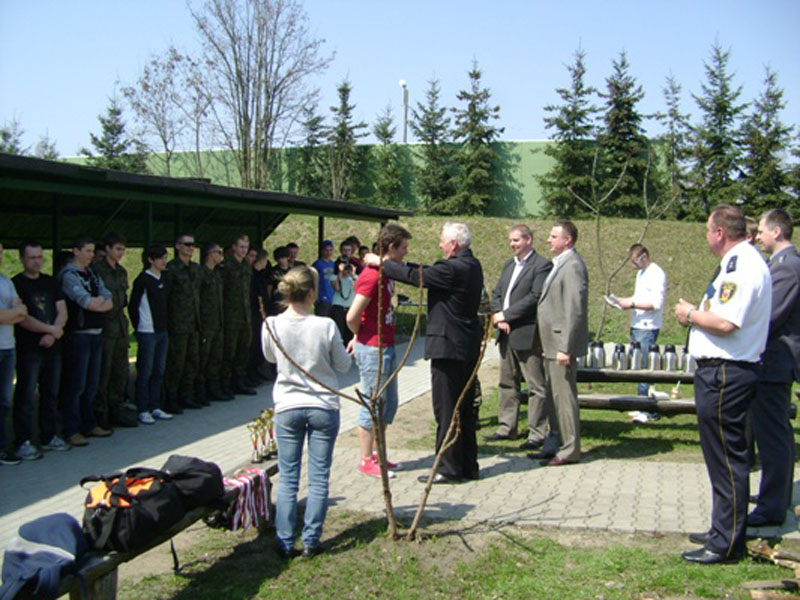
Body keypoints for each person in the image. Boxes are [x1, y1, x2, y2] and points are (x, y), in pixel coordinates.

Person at [674, 204, 771, 564]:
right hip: (724, 371)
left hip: (726, 373)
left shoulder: (742, 265)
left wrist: (689, 314)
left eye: (707, 230)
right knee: (722, 458)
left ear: (719, 233)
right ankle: (723, 528)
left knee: (728, 459)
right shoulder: (740, 262)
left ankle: (726, 542)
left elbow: (726, 322)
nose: (706, 236)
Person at [368, 222, 484, 484]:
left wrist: (381, 263)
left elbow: (417, 278)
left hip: (448, 348)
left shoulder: (452, 268)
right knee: (464, 409)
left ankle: (448, 468)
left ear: (453, 244)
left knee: (446, 409)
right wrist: (399, 265)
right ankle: (468, 465)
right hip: (466, 346)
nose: (440, 245)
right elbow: (428, 272)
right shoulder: (471, 264)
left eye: (443, 241)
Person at [262, 266, 351, 558]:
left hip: (288, 404)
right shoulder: (325, 325)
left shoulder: (271, 324)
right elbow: (343, 366)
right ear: (312, 293)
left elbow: (270, 357)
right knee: (319, 476)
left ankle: (285, 540)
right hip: (323, 404)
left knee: (288, 476)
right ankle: (311, 539)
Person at [748, 208, 800, 527]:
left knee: (773, 435)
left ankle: (773, 506)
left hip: (775, 362)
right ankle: (773, 495)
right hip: (773, 361)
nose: (758, 237)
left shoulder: (787, 267)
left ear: (777, 232)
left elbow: (768, 316)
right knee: (772, 432)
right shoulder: (780, 264)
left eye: (762, 231)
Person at [347, 225, 411, 479]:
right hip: (373, 348)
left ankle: (379, 455)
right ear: (391, 247)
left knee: (387, 404)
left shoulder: (387, 272)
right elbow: (352, 315)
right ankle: (365, 459)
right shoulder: (372, 276)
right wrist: (359, 336)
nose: (406, 252)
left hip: (386, 345)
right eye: (403, 247)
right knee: (372, 404)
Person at [485, 224, 554, 451]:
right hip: (505, 332)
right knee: (507, 382)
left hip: (527, 333)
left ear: (528, 240)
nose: (512, 244)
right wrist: (499, 316)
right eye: (510, 240)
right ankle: (507, 427)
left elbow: (535, 297)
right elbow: (497, 293)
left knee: (536, 386)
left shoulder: (542, 265)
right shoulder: (509, 264)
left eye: (516, 240)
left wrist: (508, 315)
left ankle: (537, 433)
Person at [532, 220, 588, 467]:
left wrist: (566, 347)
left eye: (554, 236)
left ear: (568, 240)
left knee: (564, 399)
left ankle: (570, 449)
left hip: (560, 345)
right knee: (553, 398)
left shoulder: (573, 266)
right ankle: (554, 444)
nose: (548, 240)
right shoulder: (559, 263)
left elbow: (574, 310)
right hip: (550, 343)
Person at [11, 241, 69, 460]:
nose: (37, 261)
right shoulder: (16, 283)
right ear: (22, 259)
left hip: (53, 346)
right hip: (29, 348)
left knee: (50, 394)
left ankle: (49, 435)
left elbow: (62, 310)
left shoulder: (50, 282)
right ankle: (23, 440)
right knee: (25, 396)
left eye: (39, 257)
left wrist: (54, 332)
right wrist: (50, 330)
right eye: (32, 257)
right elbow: (21, 317)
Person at [59, 236, 114, 447]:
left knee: (92, 384)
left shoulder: (92, 274)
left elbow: (109, 299)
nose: (92, 255)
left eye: (92, 251)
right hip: (79, 335)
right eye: (88, 251)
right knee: (76, 385)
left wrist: (97, 303)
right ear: (76, 251)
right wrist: (98, 303)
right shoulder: (68, 276)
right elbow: (84, 301)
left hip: (96, 333)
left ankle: (89, 424)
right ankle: (72, 429)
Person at [613, 244, 667, 422]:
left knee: (645, 368)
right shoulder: (641, 273)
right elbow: (638, 298)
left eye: (635, 261)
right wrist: (621, 301)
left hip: (648, 326)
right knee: (638, 366)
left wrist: (632, 304)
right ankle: (641, 404)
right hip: (637, 324)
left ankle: (649, 410)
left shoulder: (656, 273)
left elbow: (655, 304)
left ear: (644, 257)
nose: (633, 266)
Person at [93, 233, 137, 428]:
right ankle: (100, 414)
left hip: (120, 326)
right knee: (103, 373)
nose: (121, 253)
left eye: (123, 250)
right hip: (105, 327)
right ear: (108, 249)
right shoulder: (97, 271)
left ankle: (116, 409)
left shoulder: (121, 272)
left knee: (120, 372)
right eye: (117, 249)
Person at [128, 245, 173, 425]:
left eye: (165, 257)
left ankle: (155, 405)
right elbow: (133, 306)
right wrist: (139, 326)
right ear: (150, 260)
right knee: (145, 371)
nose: (164, 261)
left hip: (163, 331)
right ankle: (143, 408)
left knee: (158, 371)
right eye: (160, 258)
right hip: (147, 331)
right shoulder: (142, 280)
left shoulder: (165, 278)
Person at [0, 242, 28, 465]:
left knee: (4, 402)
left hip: (8, 347)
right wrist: (13, 313)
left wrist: (12, 313)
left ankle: (3, 448)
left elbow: (22, 311)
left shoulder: (5, 281)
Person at [220, 233, 256, 396]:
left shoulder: (246, 266)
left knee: (243, 350)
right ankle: (225, 384)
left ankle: (239, 382)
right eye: (241, 247)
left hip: (245, 315)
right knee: (229, 351)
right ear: (234, 247)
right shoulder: (226, 266)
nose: (243, 250)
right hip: (230, 315)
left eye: (246, 247)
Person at [198, 242, 231, 402]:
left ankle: (213, 388)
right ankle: (199, 391)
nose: (221, 255)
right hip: (205, 323)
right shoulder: (200, 274)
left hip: (218, 322)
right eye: (218, 252)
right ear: (210, 254)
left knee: (216, 357)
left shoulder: (218, 273)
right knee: (202, 359)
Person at [247, 248, 271, 385]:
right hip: (255, 312)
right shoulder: (252, 276)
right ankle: (250, 371)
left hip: (261, 313)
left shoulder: (261, 275)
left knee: (258, 343)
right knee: (254, 343)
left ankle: (256, 370)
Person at [331, 241, 357, 346]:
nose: (346, 252)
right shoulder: (335, 269)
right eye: (344, 250)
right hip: (338, 306)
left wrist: (352, 274)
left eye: (348, 250)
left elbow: (359, 288)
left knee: (349, 333)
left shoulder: (354, 268)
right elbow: (336, 288)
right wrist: (340, 273)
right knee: (339, 332)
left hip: (351, 305)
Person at [312, 240, 336, 317]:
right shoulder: (317, 264)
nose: (328, 252)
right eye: (326, 250)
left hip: (332, 297)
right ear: (322, 251)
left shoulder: (333, 264)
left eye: (330, 250)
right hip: (321, 298)